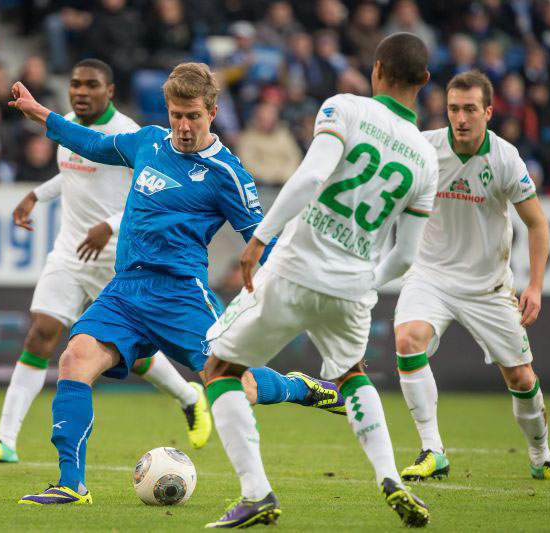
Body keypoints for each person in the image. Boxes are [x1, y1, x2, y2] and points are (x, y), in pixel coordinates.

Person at [7, 61, 344, 506]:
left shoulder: (227, 173)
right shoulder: (148, 142)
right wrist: (39, 112)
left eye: (193, 117)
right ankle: (72, 484)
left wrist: (307, 289)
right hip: (126, 290)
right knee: (74, 359)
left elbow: (264, 241)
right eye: (176, 116)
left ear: (213, 112)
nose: (184, 127)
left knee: (234, 385)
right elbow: (93, 144)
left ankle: (301, 388)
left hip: (181, 295)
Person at [203, 33, 438, 528]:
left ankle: (256, 493)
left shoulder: (344, 108)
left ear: (377, 69)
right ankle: (389, 476)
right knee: (351, 374)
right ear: (424, 80)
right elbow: (405, 255)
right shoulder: (425, 157)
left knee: (220, 370)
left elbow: (310, 177)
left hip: (295, 269)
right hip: (353, 287)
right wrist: (366, 281)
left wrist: (259, 238)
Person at [0, 59, 212, 465]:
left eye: (91, 85)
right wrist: (37, 195)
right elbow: (73, 172)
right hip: (69, 251)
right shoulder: (67, 124)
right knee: (41, 333)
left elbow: (154, 192)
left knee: (132, 352)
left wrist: (108, 227)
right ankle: (4, 441)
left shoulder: (129, 132)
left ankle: (188, 396)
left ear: (109, 91)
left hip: (118, 258)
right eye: (76, 84)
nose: (81, 91)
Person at [395, 70, 550, 482]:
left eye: (470, 109)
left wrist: (535, 286)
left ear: (489, 112)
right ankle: (432, 450)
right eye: (453, 109)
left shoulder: (505, 158)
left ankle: (541, 457)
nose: (460, 118)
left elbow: (537, 223)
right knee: (407, 341)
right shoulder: (424, 149)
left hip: (488, 286)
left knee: (521, 377)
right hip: (431, 275)